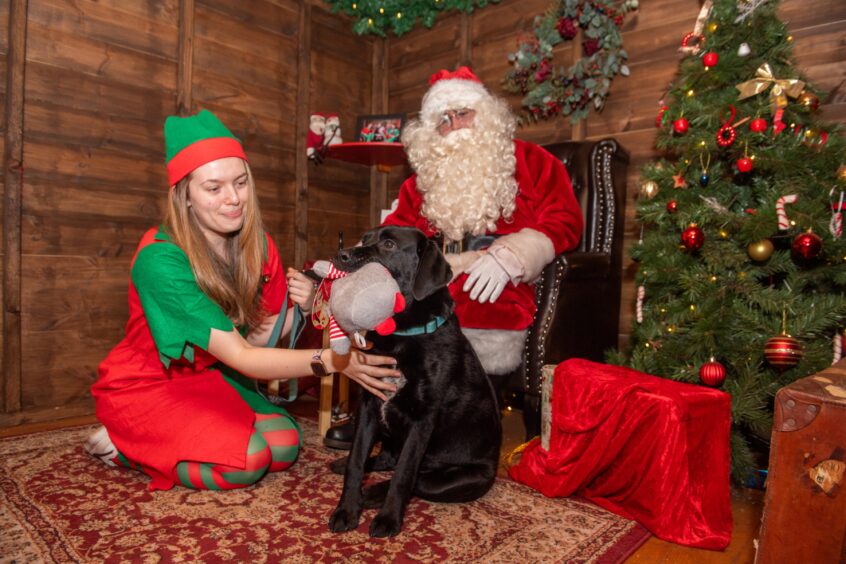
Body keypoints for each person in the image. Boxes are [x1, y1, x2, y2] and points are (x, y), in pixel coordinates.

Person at [86, 109, 401, 491]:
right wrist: (335, 361)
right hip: (148, 384)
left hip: (210, 375)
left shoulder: (257, 246)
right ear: (184, 195)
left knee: (284, 447)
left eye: (240, 182)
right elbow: (243, 357)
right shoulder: (159, 260)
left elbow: (257, 339)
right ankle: (125, 446)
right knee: (247, 462)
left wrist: (303, 310)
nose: (233, 199)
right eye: (213, 188)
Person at [324, 66, 584, 449]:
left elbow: (565, 219)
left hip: (496, 287)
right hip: (433, 284)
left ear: (487, 116)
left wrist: (512, 254)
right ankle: (379, 415)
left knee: (482, 313)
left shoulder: (533, 162)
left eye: (464, 112)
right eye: (443, 120)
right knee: (385, 312)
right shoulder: (420, 182)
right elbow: (393, 233)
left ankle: (451, 427)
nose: (455, 125)